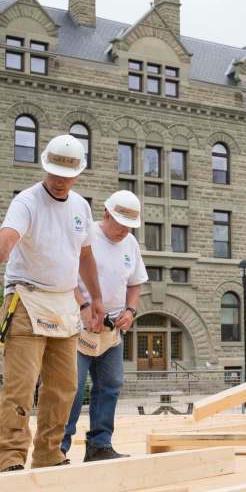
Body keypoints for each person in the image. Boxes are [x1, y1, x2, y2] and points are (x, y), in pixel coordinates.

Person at [0, 134, 104, 471]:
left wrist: (96, 297)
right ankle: (12, 458)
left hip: (64, 306)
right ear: (46, 166)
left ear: (77, 173)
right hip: (27, 300)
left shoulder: (80, 207)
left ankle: (49, 454)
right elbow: (8, 236)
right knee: (21, 386)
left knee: (64, 388)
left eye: (67, 175)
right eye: (55, 173)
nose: (60, 180)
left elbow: (85, 255)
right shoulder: (27, 201)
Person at [60, 190, 148, 462]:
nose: (124, 230)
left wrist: (131, 311)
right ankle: (57, 447)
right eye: (120, 223)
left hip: (111, 330)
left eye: (130, 226)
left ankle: (100, 445)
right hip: (79, 325)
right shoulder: (87, 236)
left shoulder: (130, 243)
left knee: (110, 385)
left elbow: (135, 283)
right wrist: (84, 306)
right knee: (70, 387)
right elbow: (65, 274)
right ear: (106, 213)